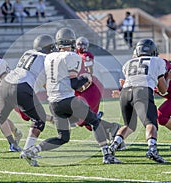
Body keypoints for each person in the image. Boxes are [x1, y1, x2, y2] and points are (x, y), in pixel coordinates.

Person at [20, 27, 121, 166]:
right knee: (95, 121)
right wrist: (86, 77)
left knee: (63, 137)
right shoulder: (71, 56)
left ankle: (32, 151)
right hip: (68, 100)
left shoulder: (49, 56)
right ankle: (107, 155)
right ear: (72, 42)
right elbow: (74, 84)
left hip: (53, 103)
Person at [0, 34, 55, 157]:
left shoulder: (28, 53)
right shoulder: (48, 59)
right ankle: (28, 150)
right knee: (39, 120)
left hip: (6, 83)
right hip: (22, 87)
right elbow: (47, 82)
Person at [109, 39, 171, 163]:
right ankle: (152, 150)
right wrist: (168, 78)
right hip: (142, 91)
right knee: (150, 123)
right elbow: (163, 90)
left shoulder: (128, 63)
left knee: (129, 125)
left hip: (125, 93)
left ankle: (113, 147)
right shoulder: (157, 61)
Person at [75, 36, 120, 142]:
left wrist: (81, 87)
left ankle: (113, 128)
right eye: (79, 44)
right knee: (89, 124)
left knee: (82, 119)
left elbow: (88, 74)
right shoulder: (74, 55)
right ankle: (112, 136)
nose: (81, 46)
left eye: (83, 44)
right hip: (81, 89)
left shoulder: (86, 56)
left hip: (90, 88)